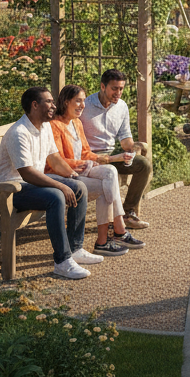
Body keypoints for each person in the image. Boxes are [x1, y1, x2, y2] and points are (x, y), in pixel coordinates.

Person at [0, 87, 98, 279]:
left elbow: (54, 158)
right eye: (48, 102)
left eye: (52, 101)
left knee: (79, 188)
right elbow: (27, 173)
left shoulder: (45, 126)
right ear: (35, 105)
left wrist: (72, 177)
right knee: (56, 197)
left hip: (32, 183)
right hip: (11, 189)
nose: (54, 105)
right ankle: (62, 261)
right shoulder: (19, 132)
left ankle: (75, 249)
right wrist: (61, 185)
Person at [47, 85, 145, 255]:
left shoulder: (76, 122)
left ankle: (110, 235)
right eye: (78, 101)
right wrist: (85, 164)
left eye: (84, 101)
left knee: (110, 171)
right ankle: (113, 235)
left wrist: (114, 159)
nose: (82, 105)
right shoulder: (54, 125)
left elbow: (85, 152)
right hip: (63, 174)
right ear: (65, 101)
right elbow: (58, 161)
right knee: (105, 186)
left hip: (82, 168)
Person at [81, 70, 152, 229]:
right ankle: (114, 220)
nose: (118, 93)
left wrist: (131, 150)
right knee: (110, 171)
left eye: (121, 89)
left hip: (113, 154)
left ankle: (128, 213)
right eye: (114, 88)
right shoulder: (85, 106)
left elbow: (125, 135)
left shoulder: (122, 106)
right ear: (102, 86)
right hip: (91, 156)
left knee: (143, 165)